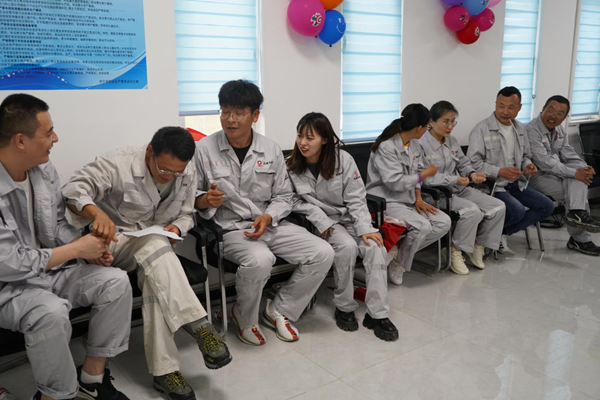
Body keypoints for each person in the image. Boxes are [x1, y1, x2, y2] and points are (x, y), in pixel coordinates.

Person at [62, 127, 230, 400]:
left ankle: (165, 372)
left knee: (155, 274)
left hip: (154, 252)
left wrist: (178, 227)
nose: (171, 176)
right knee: (155, 244)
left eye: (177, 172)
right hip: (113, 245)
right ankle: (199, 325)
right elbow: (73, 190)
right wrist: (98, 215)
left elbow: (187, 213)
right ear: (150, 151)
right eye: (164, 170)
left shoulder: (185, 171)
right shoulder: (118, 163)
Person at [0, 94, 132, 400]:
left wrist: (87, 248)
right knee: (50, 312)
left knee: (115, 281)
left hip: (51, 273)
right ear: (20, 141)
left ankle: (91, 379)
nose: (55, 139)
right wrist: (76, 251)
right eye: (48, 133)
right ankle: (55, 396)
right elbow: (8, 263)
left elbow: (57, 224)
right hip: (8, 288)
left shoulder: (43, 170)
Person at [195, 80, 334, 346]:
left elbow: (283, 196)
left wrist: (268, 216)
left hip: (271, 223)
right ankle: (244, 317)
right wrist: (205, 200)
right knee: (261, 259)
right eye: (225, 111)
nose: (230, 119)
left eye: (238, 113)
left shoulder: (270, 149)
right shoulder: (203, 149)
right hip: (231, 230)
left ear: (255, 115)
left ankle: (280, 309)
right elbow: (191, 197)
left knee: (323, 252)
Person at [286, 112, 398, 341]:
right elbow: (292, 200)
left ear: (325, 139)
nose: (303, 143)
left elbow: (357, 198)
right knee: (346, 247)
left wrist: (365, 228)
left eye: (310, 137)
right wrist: (319, 217)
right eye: (299, 136)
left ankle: (378, 314)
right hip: (323, 223)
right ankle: (344, 307)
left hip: (351, 217)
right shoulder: (290, 165)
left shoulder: (343, 160)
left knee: (375, 249)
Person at [366, 104, 451, 285]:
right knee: (422, 226)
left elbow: (417, 172)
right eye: (427, 126)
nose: (427, 130)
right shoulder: (387, 147)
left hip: (408, 200)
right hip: (385, 201)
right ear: (418, 128)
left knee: (443, 222)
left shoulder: (414, 145)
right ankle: (400, 264)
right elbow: (394, 182)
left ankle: (398, 252)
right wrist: (423, 175)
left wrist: (419, 198)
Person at [420, 101, 506, 274]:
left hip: (459, 190)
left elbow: (463, 163)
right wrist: (455, 180)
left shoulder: (452, 141)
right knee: (472, 211)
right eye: (446, 121)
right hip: (437, 195)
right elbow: (426, 178)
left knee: (498, 207)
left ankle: (478, 245)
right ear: (431, 122)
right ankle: (454, 250)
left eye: (453, 121)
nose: (450, 126)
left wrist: (472, 173)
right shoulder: (420, 144)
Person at [467, 87, 554, 254]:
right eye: (501, 106)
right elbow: (473, 163)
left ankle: (500, 233)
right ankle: (489, 236)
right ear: (495, 104)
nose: (505, 111)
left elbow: (526, 156)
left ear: (519, 108)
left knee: (546, 207)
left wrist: (528, 165)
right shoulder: (481, 129)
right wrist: (499, 171)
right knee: (517, 210)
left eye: (511, 107)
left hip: (516, 184)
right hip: (493, 186)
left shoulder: (520, 129)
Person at [527, 95, 600, 255]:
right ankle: (580, 239)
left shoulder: (559, 129)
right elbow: (544, 162)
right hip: (536, 176)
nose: (553, 116)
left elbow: (568, 153)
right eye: (550, 110)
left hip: (557, 172)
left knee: (578, 179)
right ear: (543, 109)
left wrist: (584, 168)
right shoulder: (531, 130)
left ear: (565, 117)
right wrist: (575, 173)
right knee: (575, 192)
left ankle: (577, 215)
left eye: (560, 113)